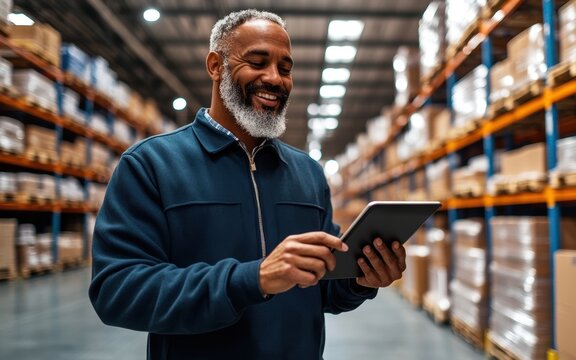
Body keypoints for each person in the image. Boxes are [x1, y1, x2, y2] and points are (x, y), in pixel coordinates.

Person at [89, 9, 406, 359]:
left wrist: (360, 280)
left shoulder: (307, 173)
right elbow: (116, 290)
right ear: (215, 66)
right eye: (257, 62)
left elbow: (321, 290)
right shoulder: (152, 165)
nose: (274, 78)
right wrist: (250, 280)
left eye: (285, 69)